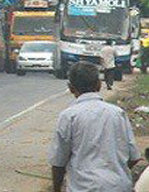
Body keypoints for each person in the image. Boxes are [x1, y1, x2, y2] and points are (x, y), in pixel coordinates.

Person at [49, 61, 141, 192]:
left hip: (83, 187)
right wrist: (114, 173)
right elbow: (134, 157)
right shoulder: (118, 113)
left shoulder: (69, 116)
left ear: (70, 87)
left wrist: (56, 189)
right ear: (99, 84)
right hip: (119, 186)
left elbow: (58, 162)